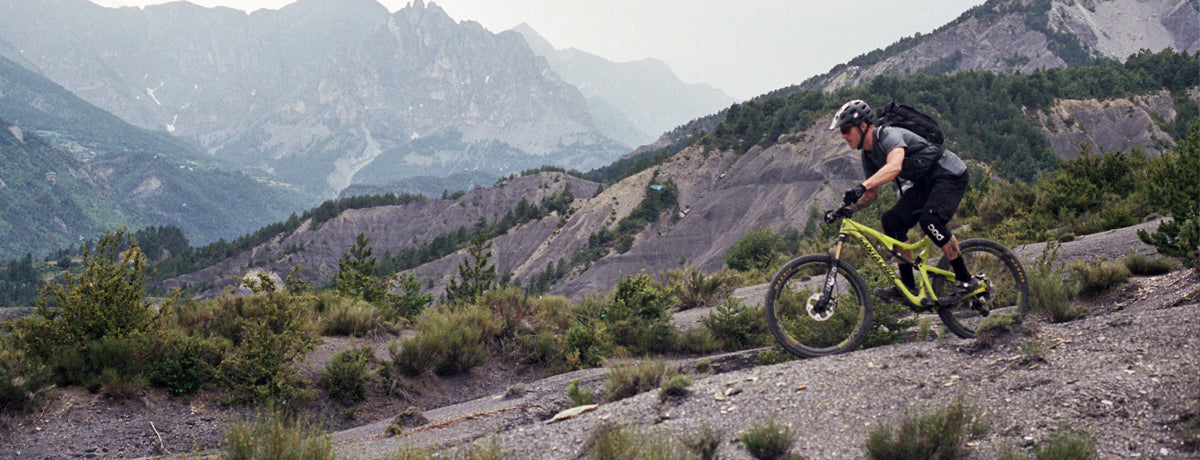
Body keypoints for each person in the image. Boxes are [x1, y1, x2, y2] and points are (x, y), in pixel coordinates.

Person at [829, 99, 976, 304]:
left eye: (846, 130)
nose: (843, 136)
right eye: (841, 132)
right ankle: (908, 286)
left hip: (949, 174)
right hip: (925, 182)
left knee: (930, 221)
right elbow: (871, 195)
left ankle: (966, 279)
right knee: (892, 221)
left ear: (862, 126)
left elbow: (895, 166)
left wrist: (861, 187)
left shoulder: (889, 135)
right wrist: (845, 209)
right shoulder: (868, 155)